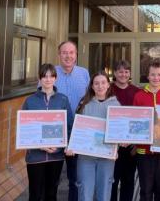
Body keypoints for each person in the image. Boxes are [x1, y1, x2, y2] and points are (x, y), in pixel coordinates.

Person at [22, 63, 74, 201]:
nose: (48, 79)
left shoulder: (63, 99)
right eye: (44, 76)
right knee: (35, 194)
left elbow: (69, 125)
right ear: (40, 79)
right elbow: (24, 129)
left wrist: (63, 145)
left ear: (56, 79)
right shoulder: (30, 101)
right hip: (35, 156)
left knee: (51, 193)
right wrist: (39, 145)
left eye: (51, 76)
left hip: (56, 156)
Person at [133, 59, 160, 201]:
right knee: (146, 190)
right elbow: (134, 123)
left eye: (159, 75)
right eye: (153, 75)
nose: (156, 78)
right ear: (147, 76)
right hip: (143, 150)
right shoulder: (139, 95)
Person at [74, 71, 121, 201]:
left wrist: (115, 149)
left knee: (104, 193)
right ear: (92, 86)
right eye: (96, 83)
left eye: (103, 83)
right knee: (85, 193)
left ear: (108, 85)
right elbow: (77, 128)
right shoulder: (84, 104)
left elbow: (117, 132)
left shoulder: (115, 105)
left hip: (106, 157)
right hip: (86, 157)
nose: (100, 86)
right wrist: (73, 145)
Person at [55, 40, 90, 201]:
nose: (68, 56)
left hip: (77, 131)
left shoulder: (84, 74)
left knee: (74, 177)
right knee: (52, 177)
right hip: (55, 131)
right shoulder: (51, 74)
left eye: (71, 53)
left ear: (76, 55)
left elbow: (90, 99)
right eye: (64, 52)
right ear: (59, 55)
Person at [110, 60, 140, 201]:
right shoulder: (108, 89)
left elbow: (141, 118)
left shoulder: (137, 92)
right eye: (120, 71)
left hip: (130, 145)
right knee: (112, 181)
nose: (123, 74)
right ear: (115, 73)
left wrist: (136, 142)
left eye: (126, 71)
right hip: (111, 145)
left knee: (128, 180)